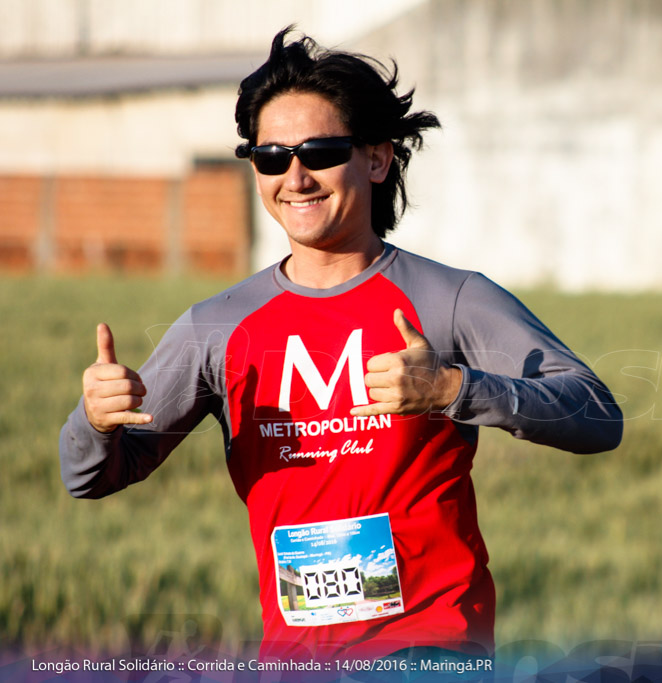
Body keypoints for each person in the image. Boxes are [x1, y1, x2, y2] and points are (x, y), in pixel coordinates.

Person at [59, 28, 623, 663]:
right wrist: (96, 422)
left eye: (321, 152)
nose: (295, 177)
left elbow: (598, 416)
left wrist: (455, 390)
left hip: (433, 651)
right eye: (271, 156)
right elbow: (91, 476)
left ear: (377, 159)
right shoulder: (214, 327)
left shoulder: (451, 299)